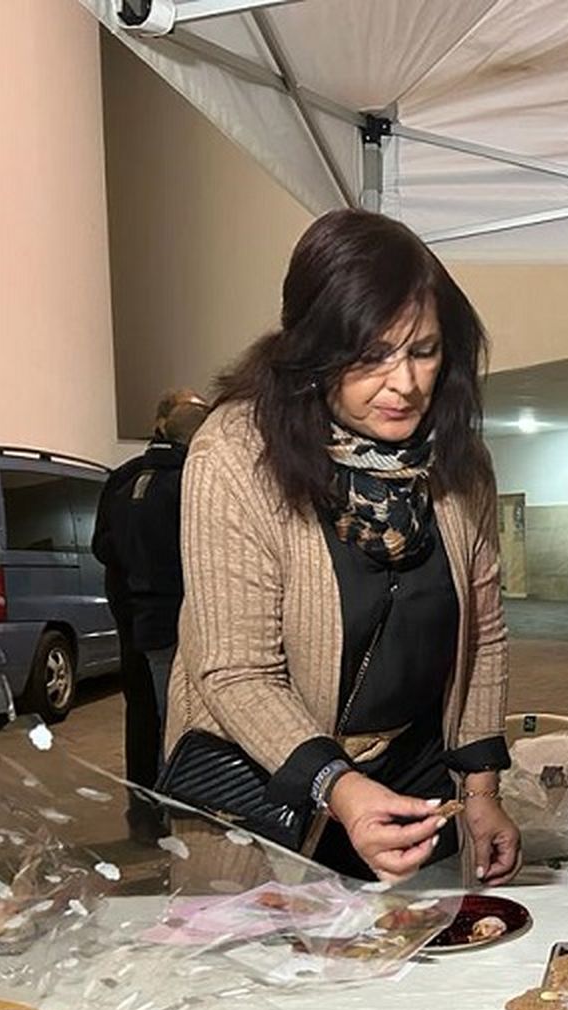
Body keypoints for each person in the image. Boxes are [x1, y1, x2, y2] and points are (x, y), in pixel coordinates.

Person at [164, 209, 521, 885]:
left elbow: (485, 638)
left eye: (422, 350)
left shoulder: (458, 461)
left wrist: (482, 793)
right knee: (273, 976)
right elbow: (235, 671)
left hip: (411, 778)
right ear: (314, 350)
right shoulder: (236, 453)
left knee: (424, 963)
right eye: (370, 355)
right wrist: (340, 787)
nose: (405, 383)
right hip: (263, 783)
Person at [92, 390, 207, 840]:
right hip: (174, 615)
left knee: (145, 716)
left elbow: (102, 547)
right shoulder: (189, 480)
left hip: (136, 617)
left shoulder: (123, 480)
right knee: (177, 718)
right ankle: (176, 816)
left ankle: (145, 815)